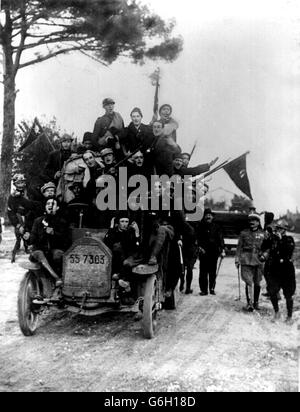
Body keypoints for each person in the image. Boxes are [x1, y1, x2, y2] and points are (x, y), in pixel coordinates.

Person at [260, 220, 296, 324]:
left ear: (285, 230)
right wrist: (266, 239)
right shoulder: (272, 239)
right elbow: (264, 248)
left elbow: (288, 251)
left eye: (280, 229)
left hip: (287, 271)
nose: (278, 230)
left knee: (288, 294)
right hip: (274, 270)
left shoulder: (289, 239)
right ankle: (277, 312)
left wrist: (280, 240)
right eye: (277, 228)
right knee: (272, 291)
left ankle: (289, 316)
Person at [29, 198, 70, 286]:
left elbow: (66, 240)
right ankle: (56, 278)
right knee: (39, 254)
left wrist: (53, 233)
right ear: (45, 207)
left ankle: (60, 278)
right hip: (40, 251)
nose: (50, 206)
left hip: (54, 250)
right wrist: (33, 236)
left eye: (53, 204)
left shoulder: (61, 222)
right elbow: (32, 239)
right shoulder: (38, 221)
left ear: (57, 207)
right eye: (48, 204)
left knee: (58, 255)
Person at [235, 213, 265, 311]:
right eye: (250, 220)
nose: (252, 222)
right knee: (248, 282)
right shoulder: (244, 233)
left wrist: (265, 256)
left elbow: (267, 248)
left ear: (258, 222)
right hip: (246, 260)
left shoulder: (263, 234)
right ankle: (249, 303)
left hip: (258, 260)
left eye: (254, 220)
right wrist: (237, 259)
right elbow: (239, 247)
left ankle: (256, 302)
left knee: (257, 282)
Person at [197, 208, 225, 296]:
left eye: (210, 215)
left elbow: (220, 239)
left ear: (212, 217)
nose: (208, 216)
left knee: (212, 271)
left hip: (214, 252)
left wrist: (222, 249)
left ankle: (212, 288)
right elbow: (197, 238)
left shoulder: (217, 227)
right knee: (203, 272)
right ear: (204, 216)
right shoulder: (200, 226)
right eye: (207, 215)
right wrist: (199, 247)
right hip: (203, 252)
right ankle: (204, 290)